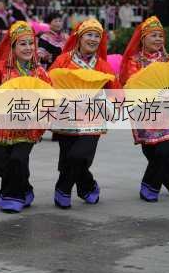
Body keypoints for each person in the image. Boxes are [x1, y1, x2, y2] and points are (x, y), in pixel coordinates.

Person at [0, 21, 51, 213]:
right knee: (1, 165)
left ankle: (11, 198)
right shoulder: (1, 69)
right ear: (12, 47)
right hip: (1, 125)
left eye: (31, 43)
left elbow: (49, 95)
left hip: (28, 126)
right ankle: (25, 188)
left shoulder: (39, 72)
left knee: (18, 159)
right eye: (22, 44)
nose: (28, 48)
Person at [49, 18, 120, 209]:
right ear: (79, 38)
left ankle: (63, 188)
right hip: (66, 116)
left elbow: (116, 91)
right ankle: (87, 186)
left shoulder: (103, 65)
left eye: (97, 36)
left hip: (93, 117)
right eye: (89, 34)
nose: (94, 39)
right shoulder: (63, 60)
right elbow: (50, 84)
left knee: (80, 156)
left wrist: (113, 105)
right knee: (67, 157)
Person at [119, 16, 169, 201]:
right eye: (153, 35)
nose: (158, 39)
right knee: (151, 152)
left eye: (160, 36)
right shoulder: (133, 62)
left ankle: (150, 186)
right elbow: (130, 85)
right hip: (145, 113)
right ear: (143, 38)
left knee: (166, 150)